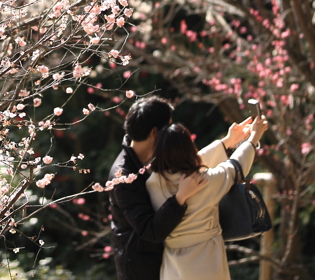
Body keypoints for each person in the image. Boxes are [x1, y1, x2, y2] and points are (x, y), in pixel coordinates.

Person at [108, 99, 257, 280]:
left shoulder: (154, 161)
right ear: (156, 132)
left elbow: (185, 167)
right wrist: (180, 197)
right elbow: (150, 230)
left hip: (167, 262)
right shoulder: (123, 176)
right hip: (141, 268)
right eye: (167, 127)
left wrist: (226, 142)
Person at [146, 116, 269, 280]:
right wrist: (253, 138)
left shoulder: (152, 183)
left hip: (173, 266)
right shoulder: (205, 181)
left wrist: (227, 141)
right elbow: (236, 167)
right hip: (206, 261)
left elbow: (188, 163)